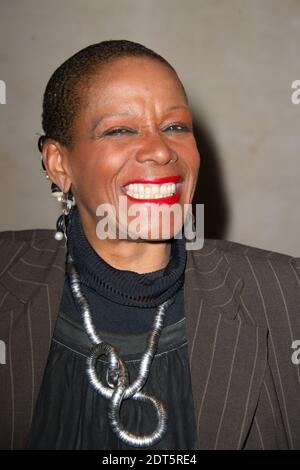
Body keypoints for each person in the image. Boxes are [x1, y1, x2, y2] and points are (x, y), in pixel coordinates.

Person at [0, 39, 299, 450]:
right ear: (59, 163)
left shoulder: (286, 293)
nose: (160, 150)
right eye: (120, 129)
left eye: (175, 127)